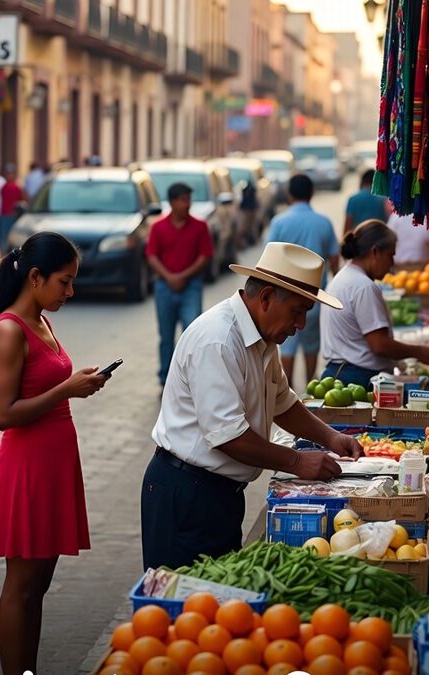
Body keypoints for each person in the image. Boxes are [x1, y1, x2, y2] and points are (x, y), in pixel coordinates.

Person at [141, 242, 363, 570]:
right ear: (266, 298)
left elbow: (283, 401)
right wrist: (298, 461)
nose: (301, 325)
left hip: (219, 494)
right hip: (186, 492)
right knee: (180, 605)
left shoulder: (264, 339)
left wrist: (331, 438)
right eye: (298, 311)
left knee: (214, 602)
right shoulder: (218, 340)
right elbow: (228, 435)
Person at [0, 232, 110, 675]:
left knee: (39, 584)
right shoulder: (8, 330)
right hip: (26, 467)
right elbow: (5, 414)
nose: (70, 292)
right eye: (64, 282)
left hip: (55, 463)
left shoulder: (40, 319)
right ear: (35, 277)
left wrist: (76, 382)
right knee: (20, 587)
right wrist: (67, 388)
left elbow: (46, 385)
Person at [320, 220, 429, 388]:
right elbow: (380, 345)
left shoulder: (343, 277)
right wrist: (418, 352)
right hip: (358, 378)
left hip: (342, 373)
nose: (392, 264)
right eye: (390, 255)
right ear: (375, 252)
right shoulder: (363, 287)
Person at [267, 174, 340, 386]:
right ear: (311, 194)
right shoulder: (323, 222)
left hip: (282, 297)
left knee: (287, 347)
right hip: (313, 297)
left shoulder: (279, 222)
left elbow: (268, 260)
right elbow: (335, 260)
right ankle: (309, 391)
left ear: (289, 194)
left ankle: (285, 391)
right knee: (311, 345)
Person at [145, 182, 214, 387]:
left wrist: (183, 275)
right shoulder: (158, 227)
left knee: (192, 333)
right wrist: (169, 276)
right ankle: (165, 378)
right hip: (164, 287)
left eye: (189, 199)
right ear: (173, 202)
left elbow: (205, 256)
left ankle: (190, 379)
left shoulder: (200, 226)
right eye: (183, 199)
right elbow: (151, 255)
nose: (187, 204)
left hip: (191, 285)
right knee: (166, 336)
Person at [344, 169, 392, 233]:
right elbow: (390, 220)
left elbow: (348, 222)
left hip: (358, 237)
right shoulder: (384, 200)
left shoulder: (353, 199)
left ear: (363, 182)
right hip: (379, 238)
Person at [0, 164, 25, 252]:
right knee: (5, 236)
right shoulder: (4, 187)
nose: (10, 176)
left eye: (11, 173)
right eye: (8, 174)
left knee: (10, 236)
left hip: (12, 215)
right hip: (5, 214)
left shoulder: (16, 187)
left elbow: (20, 199)